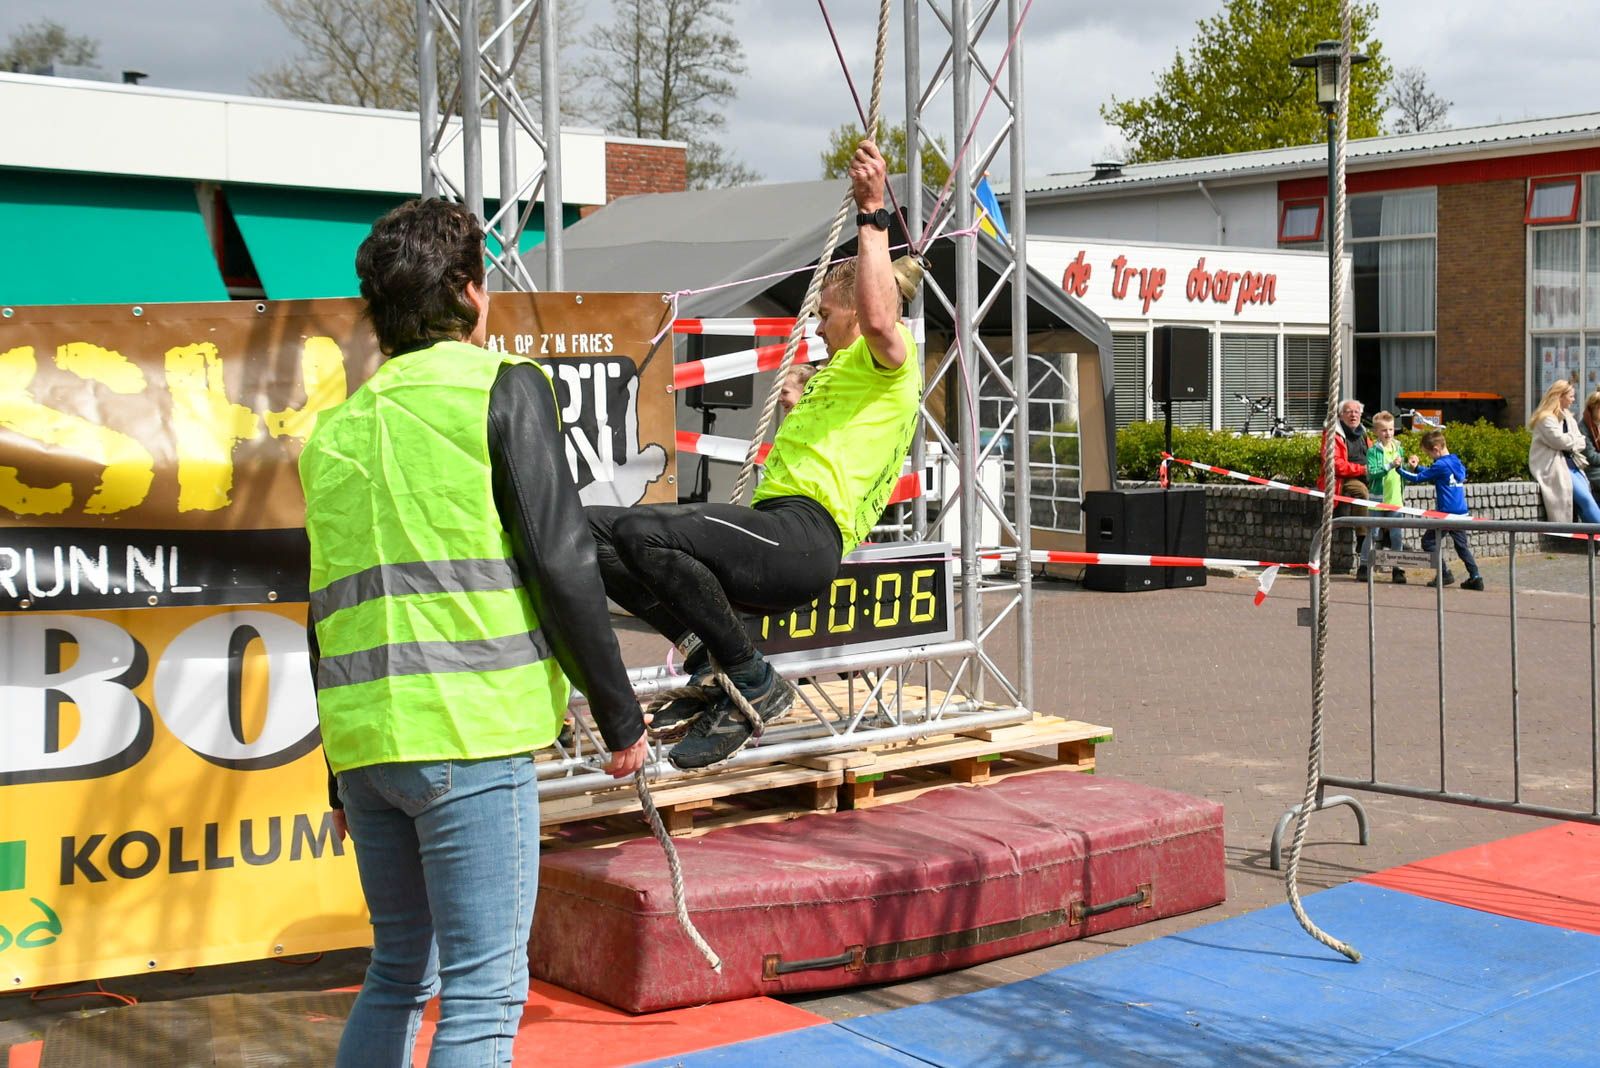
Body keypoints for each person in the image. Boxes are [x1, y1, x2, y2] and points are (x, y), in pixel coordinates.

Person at [299, 198, 647, 1067]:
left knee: (396, 975)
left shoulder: (336, 430)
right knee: (485, 995)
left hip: (367, 749)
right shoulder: (502, 386)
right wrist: (621, 715)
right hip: (471, 733)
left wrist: (338, 774)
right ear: (469, 292)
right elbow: (561, 561)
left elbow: (325, 609)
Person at [587, 138, 921, 772]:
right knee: (586, 533)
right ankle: (710, 661)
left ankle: (752, 681)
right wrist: (798, 405)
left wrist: (872, 211)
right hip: (774, 530)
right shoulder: (839, 376)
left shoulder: (891, 360)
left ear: (855, 308)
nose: (816, 326)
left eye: (824, 314)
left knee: (641, 531)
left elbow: (881, 319)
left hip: (805, 538)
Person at [1400, 428, 1484, 590]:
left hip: (1446, 514)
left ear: (1436, 449)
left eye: (1429, 454)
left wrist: (1398, 469)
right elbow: (1435, 473)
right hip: (1461, 513)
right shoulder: (1456, 461)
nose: (1430, 457)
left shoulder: (1440, 464)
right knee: (1462, 547)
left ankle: (1444, 572)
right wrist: (1418, 467)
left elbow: (1418, 479)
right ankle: (1475, 576)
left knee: (1428, 542)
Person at [1528, 378, 1600, 524]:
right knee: (1585, 500)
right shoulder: (1545, 419)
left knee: (1587, 500)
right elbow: (1559, 441)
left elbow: (1581, 442)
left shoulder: (1568, 417)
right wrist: (1572, 440)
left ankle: (1593, 535)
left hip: (1572, 465)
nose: (1574, 400)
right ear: (1559, 396)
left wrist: (1570, 441)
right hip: (1555, 467)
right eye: (1571, 396)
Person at [1319, 398, 1372, 578]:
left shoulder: (1364, 434)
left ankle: (1390, 534)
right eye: (1349, 412)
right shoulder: (1332, 435)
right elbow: (1334, 464)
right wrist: (1361, 469)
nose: (1353, 415)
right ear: (1341, 415)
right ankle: (1362, 537)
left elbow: (1372, 455)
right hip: (1343, 479)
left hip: (1366, 475)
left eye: (1357, 412)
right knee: (1361, 492)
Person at [1363, 410, 1407, 583]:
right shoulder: (1373, 451)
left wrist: (1411, 467)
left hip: (1395, 500)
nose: (1388, 433)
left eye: (1390, 429)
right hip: (1377, 500)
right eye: (1383, 430)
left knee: (1396, 535)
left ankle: (1397, 568)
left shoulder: (1399, 448)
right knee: (1373, 533)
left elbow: (1401, 472)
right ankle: (1364, 565)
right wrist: (1389, 465)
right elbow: (1372, 473)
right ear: (1376, 432)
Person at [1579, 390, 1600, 503]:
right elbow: (1591, 457)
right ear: (1595, 407)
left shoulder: (1598, 425)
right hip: (1592, 470)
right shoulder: (1584, 427)